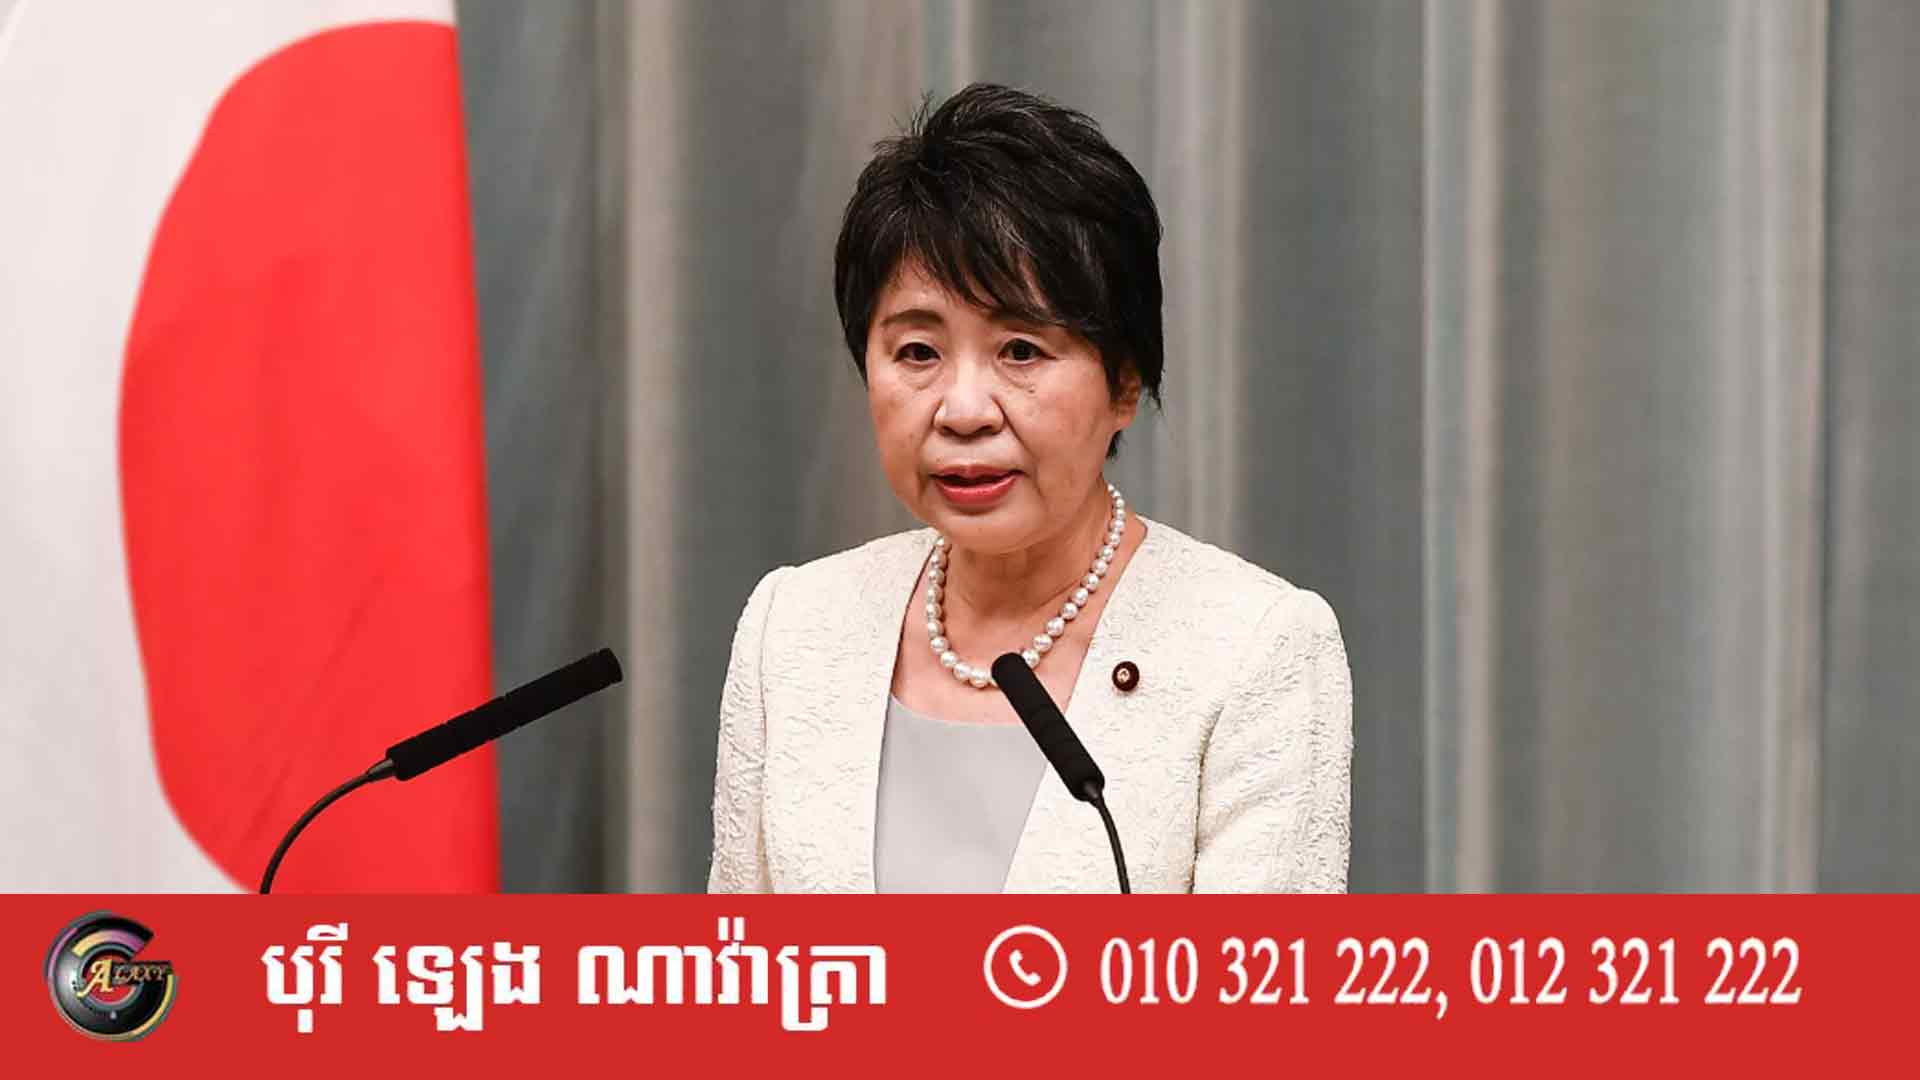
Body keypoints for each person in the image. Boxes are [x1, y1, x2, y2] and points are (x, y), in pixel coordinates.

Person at [707, 83, 1351, 893]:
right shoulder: (793, 629)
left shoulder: (1255, 648)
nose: (963, 411)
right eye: (917, 352)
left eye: (1020, 350)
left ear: (1124, 383)